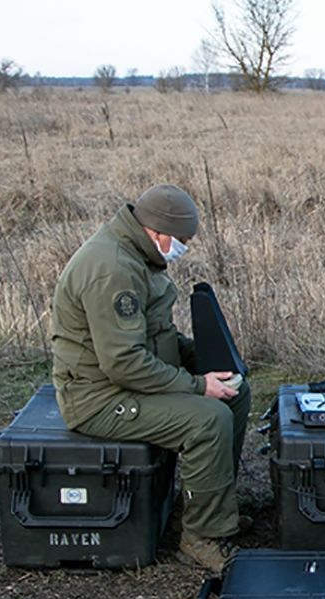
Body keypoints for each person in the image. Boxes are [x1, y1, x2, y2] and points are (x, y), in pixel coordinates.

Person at [49, 184, 251, 572]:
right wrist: (196, 384)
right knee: (209, 420)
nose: (182, 248)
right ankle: (201, 538)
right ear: (159, 232)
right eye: (181, 240)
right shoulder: (112, 269)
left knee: (235, 393)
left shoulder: (136, 255)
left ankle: (212, 508)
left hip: (127, 381)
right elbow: (123, 362)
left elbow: (153, 333)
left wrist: (204, 360)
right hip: (98, 398)